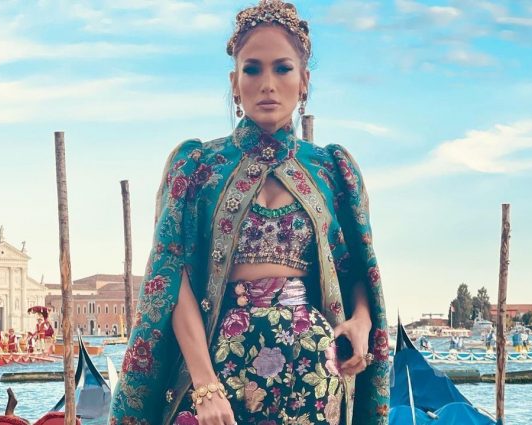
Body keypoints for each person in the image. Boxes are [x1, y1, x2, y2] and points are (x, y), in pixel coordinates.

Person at [108, 1, 389, 424]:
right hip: (222, 367)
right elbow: (171, 276)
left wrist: (362, 322)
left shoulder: (333, 170)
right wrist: (205, 385)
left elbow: (357, 269)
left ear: (304, 81)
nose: (268, 85)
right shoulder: (198, 167)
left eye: (283, 69)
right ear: (235, 83)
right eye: (253, 70)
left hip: (315, 375)